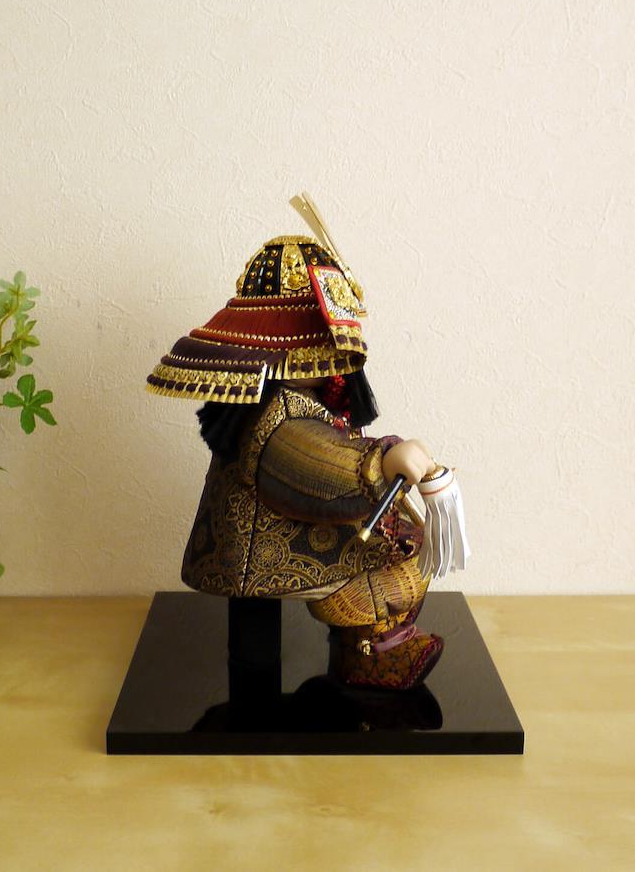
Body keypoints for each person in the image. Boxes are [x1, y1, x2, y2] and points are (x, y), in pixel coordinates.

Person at [147, 200, 459, 689]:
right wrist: (383, 458)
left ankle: (373, 643)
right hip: (264, 546)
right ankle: (372, 655)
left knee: (398, 538)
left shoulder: (291, 405)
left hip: (285, 527)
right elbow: (317, 465)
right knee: (390, 557)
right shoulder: (282, 418)